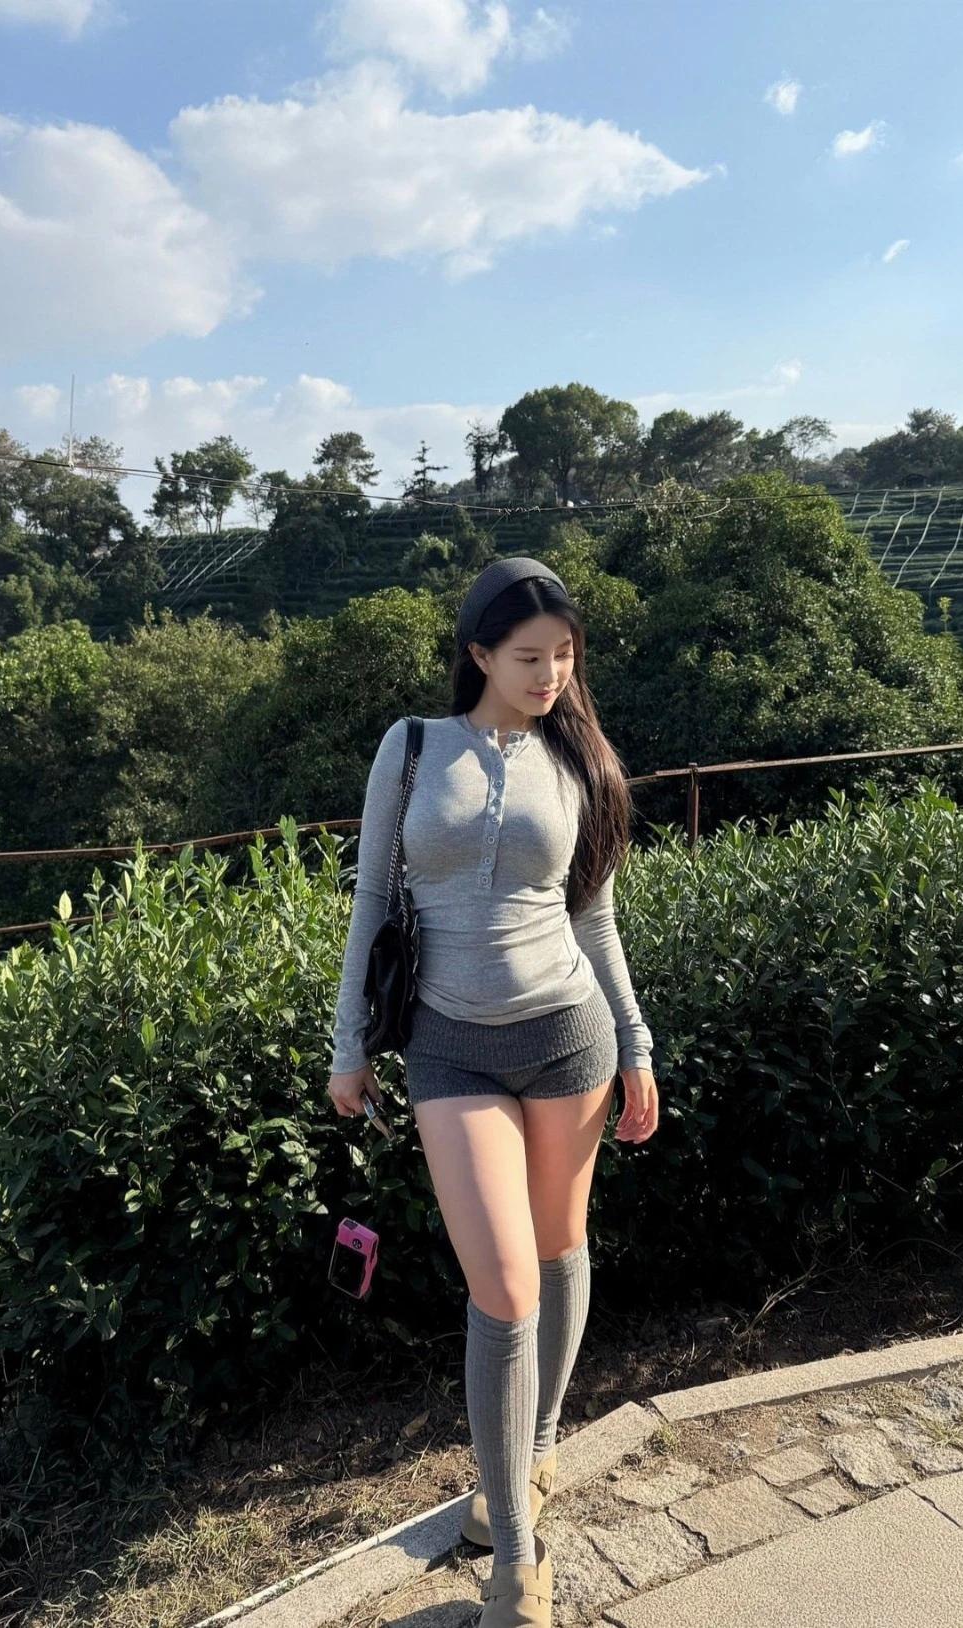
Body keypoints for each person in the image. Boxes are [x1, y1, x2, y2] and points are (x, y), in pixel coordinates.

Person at [326, 556, 659, 1628]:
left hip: (569, 1039)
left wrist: (636, 1043)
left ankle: (538, 1447)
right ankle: (515, 1556)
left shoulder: (578, 761)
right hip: (448, 1050)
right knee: (504, 1289)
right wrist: (348, 1045)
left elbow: (593, 916)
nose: (550, 674)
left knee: (559, 1252)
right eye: (527, 656)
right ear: (477, 652)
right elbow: (372, 900)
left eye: (564, 656)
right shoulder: (413, 746)